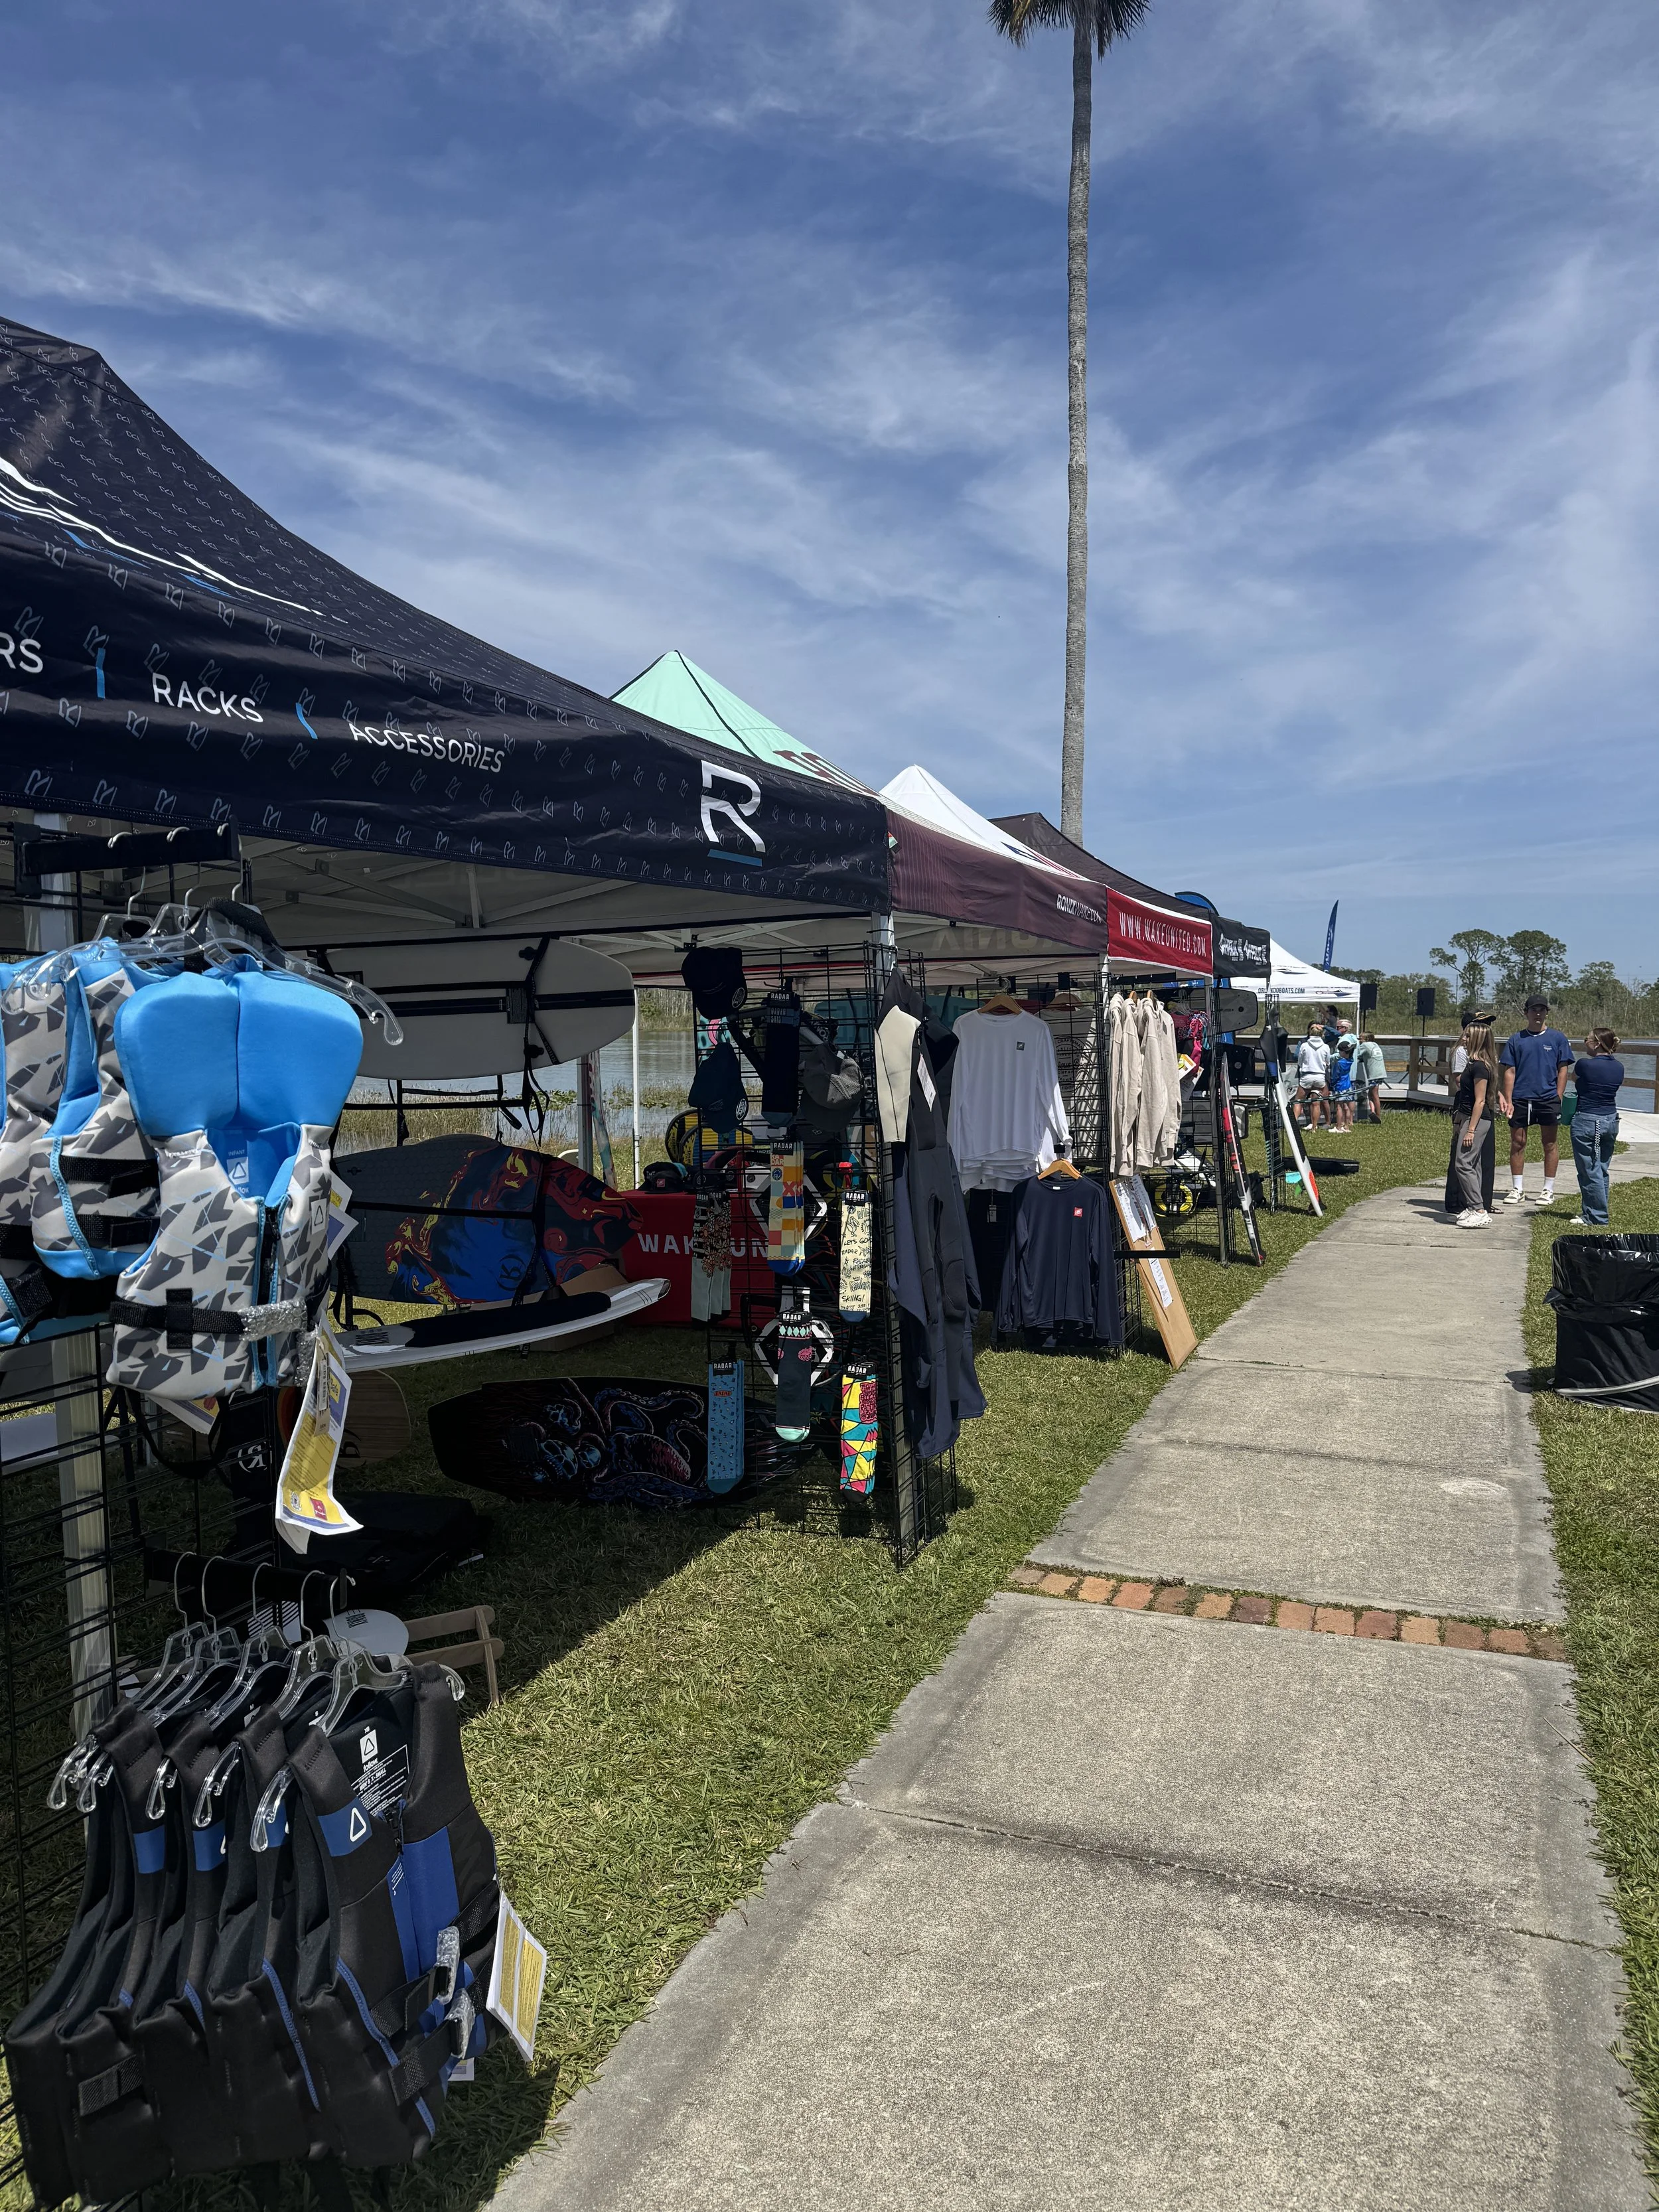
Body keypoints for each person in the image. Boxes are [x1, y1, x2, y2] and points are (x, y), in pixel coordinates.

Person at [1499, 996, 1575, 1206]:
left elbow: (1563, 1070)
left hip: (1547, 1099)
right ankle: (1517, 1188)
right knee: (1518, 1142)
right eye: (1534, 1010)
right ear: (1526, 1013)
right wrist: (1509, 1099)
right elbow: (1510, 1070)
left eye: (1542, 1010)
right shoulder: (1516, 1039)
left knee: (1549, 1143)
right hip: (1521, 1099)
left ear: (1547, 1013)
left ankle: (1548, 1190)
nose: (1538, 1014)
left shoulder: (1558, 1038)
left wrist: (1558, 1097)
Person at [1567, 1029, 1624, 1227]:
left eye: (1588, 1040)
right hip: (1611, 1120)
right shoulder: (1619, 1067)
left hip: (1589, 1122)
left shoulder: (1584, 1064)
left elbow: (1574, 1079)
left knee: (1589, 1170)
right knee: (1601, 1168)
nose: (1585, 1043)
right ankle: (1594, 1211)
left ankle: (1597, 1217)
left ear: (1597, 1043)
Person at [1449, 1023, 1499, 1226]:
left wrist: (1470, 1130)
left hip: (1478, 1120)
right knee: (1474, 1163)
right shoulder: (1471, 1063)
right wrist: (1459, 1119)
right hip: (1468, 1117)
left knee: (1463, 1163)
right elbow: (1467, 1098)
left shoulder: (1480, 1067)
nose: (1464, 1039)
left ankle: (1479, 1209)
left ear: (1478, 1040)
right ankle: (1473, 1206)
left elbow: (1480, 1101)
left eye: (1468, 1037)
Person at [1296, 1020, 1331, 1131]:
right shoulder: (1325, 1047)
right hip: (1320, 1076)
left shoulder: (1305, 1045)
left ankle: (1293, 1124)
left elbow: (1300, 1061)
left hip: (1307, 1076)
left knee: (1298, 1101)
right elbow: (1328, 1061)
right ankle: (1314, 1127)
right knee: (1316, 1103)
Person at [1352, 1031, 1387, 1122]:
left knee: (1375, 1094)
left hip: (1374, 1073)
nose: (1359, 1040)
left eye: (1360, 1038)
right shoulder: (1375, 1045)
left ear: (1366, 1039)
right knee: (1370, 1094)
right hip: (1381, 1072)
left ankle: (1378, 1117)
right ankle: (1373, 1114)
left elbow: (1357, 1055)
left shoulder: (1365, 1045)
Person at [1330, 1037, 1356, 1130]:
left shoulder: (1340, 1063)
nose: (1339, 1053)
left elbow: (1335, 1076)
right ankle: (1347, 1126)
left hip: (1340, 1086)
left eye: (1340, 1051)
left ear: (1344, 1052)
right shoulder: (1351, 1060)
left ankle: (1338, 1127)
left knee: (1339, 1107)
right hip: (1348, 1086)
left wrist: (1331, 1085)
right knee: (1346, 1106)